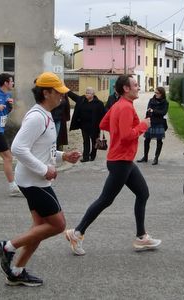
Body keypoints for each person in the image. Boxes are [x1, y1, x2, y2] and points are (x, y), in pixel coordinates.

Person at [0, 72, 82, 287]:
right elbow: (18, 148)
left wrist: (62, 156)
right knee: (58, 225)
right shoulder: (37, 117)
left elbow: (41, 148)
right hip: (34, 182)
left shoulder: (45, 114)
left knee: (39, 228)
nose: (62, 96)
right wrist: (44, 170)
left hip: (35, 180)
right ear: (46, 92)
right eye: (58, 92)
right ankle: (6, 247)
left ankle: (16, 271)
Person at [65, 75, 161, 256]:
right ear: (126, 88)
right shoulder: (124, 107)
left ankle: (141, 236)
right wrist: (143, 125)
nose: (138, 87)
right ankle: (77, 233)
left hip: (123, 160)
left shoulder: (118, 105)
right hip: (120, 161)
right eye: (135, 84)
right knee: (105, 200)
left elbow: (103, 123)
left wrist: (118, 131)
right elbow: (126, 136)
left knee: (142, 193)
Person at [69, 87, 105, 162]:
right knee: (86, 141)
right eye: (86, 92)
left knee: (94, 141)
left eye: (89, 93)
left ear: (93, 94)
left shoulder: (99, 103)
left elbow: (103, 115)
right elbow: (73, 96)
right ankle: (85, 157)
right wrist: (66, 90)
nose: (87, 94)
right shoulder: (82, 100)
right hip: (84, 125)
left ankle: (92, 155)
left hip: (94, 127)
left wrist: (103, 126)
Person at [137, 86, 169, 165]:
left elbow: (163, 112)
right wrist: (147, 118)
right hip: (151, 122)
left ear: (162, 94)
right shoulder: (151, 100)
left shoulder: (165, 102)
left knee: (159, 140)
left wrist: (153, 111)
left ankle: (156, 158)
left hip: (159, 123)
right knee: (147, 139)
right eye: (155, 92)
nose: (156, 94)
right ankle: (145, 157)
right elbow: (148, 110)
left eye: (157, 93)